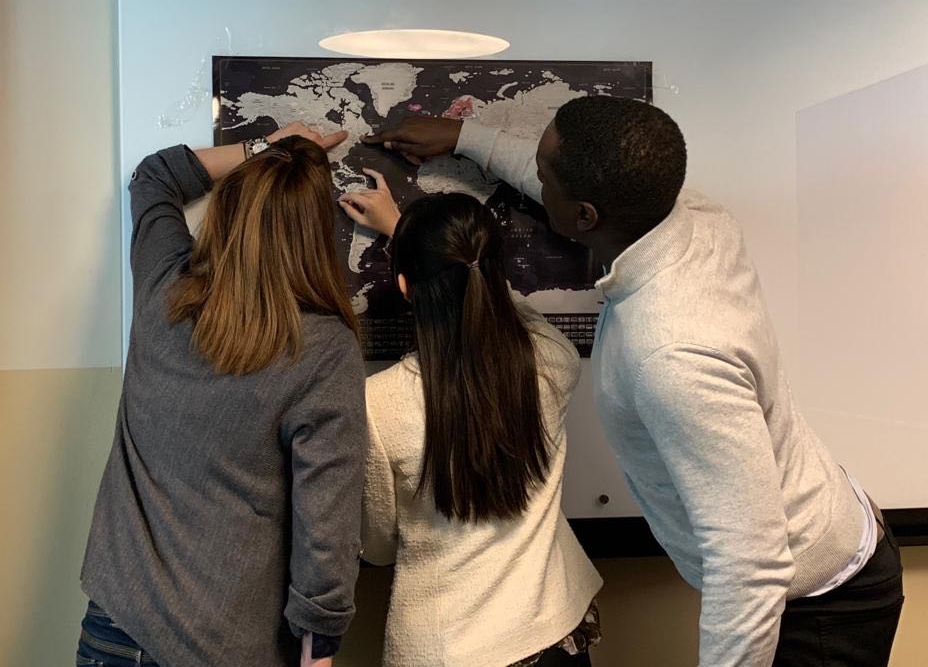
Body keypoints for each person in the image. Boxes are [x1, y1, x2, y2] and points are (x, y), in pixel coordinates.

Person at [352, 97, 904, 667]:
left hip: (814, 601)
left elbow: (752, 567)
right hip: (827, 529)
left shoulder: (672, 354)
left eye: (543, 175)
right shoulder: (698, 219)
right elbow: (571, 197)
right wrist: (462, 143)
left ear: (585, 215)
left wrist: (424, 257)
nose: (533, 179)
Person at [78, 124, 366, 667]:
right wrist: (320, 644)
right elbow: (325, 526)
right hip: (222, 643)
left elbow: (154, 175)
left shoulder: (164, 286)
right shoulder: (324, 349)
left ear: (224, 215)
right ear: (316, 234)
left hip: (114, 627)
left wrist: (262, 149)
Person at [339, 185, 603, 666]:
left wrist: (410, 241)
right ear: (496, 272)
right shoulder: (551, 360)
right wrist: (432, 245)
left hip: (452, 649)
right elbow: (501, 303)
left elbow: (377, 547)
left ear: (405, 288)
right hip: (554, 632)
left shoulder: (377, 405)